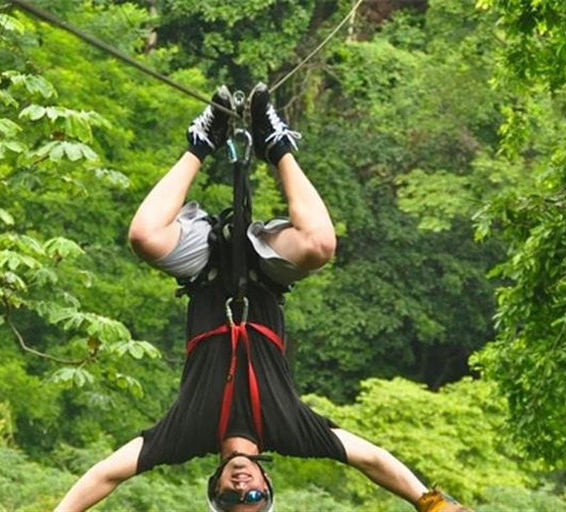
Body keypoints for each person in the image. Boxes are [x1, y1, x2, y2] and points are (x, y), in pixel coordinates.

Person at [55, 84, 469, 512]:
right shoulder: (291, 431)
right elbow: (371, 459)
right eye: (253, 496)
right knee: (320, 246)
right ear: (267, 481)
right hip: (266, 273)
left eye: (230, 497)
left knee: (143, 237)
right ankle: (277, 145)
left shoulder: (186, 435)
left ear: (214, 485)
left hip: (205, 271)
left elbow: (108, 473)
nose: (241, 486)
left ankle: (201, 143)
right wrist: (431, 504)